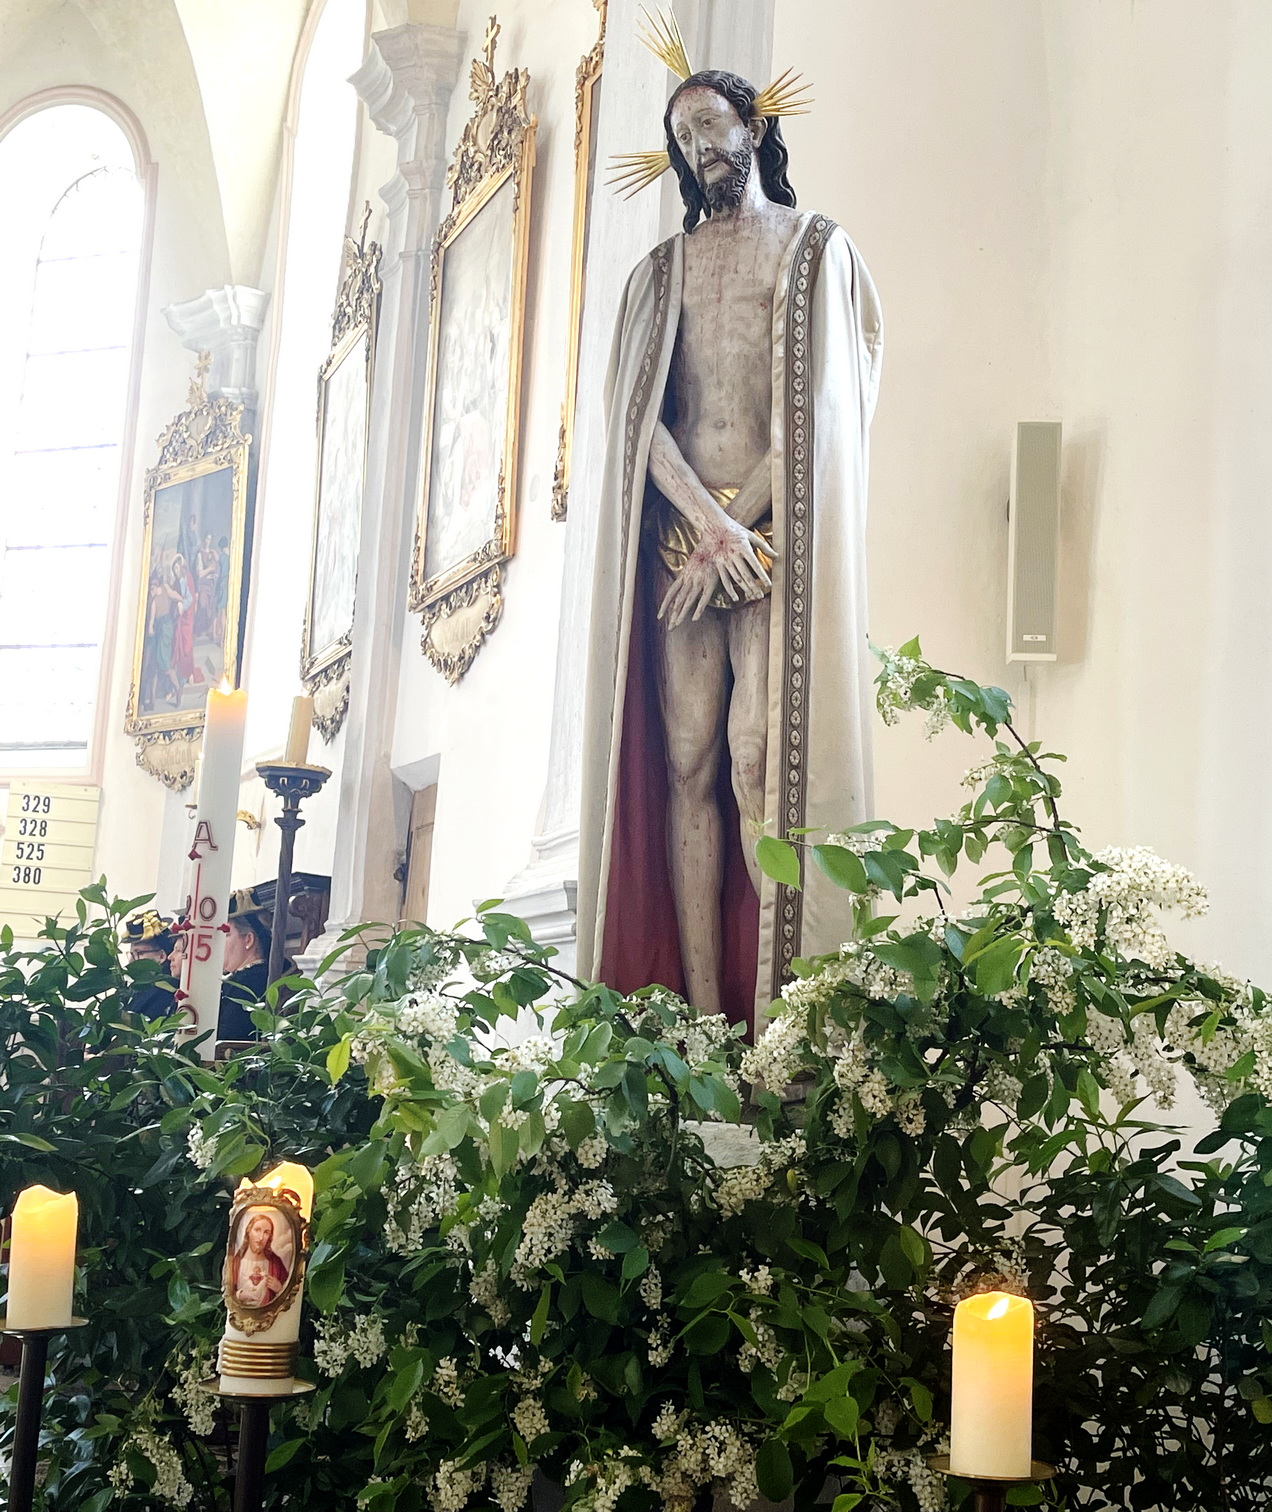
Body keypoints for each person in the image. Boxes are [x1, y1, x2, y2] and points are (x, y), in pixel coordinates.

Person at [577, 41, 883, 1031]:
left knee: (760, 763)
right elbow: (639, 424)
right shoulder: (659, 274)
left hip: (769, 544)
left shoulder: (813, 252)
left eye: (712, 124)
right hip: (688, 544)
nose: (700, 145)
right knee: (685, 764)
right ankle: (705, 1024)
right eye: (683, 135)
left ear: (755, 127)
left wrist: (738, 529)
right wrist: (707, 527)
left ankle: (777, 1029)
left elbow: (819, 418)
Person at [218, 889, 295, 1041]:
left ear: (248, 939)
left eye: (226, 935)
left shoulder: (252, 982)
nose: (218, 944)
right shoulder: (238, 979)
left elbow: (228, 1036)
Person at [123, 910, 178, 1020]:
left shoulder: (166, 991)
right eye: (131, 954)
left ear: (161, 956)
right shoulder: (135, 988)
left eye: (139, 953)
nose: (131, 962)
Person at [229, 1210, 288, 1308]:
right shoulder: (236, 1261)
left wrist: (279, 1289)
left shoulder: (275, 1263)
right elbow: (227, 1293)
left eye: (266, 1233)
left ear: (270, 1237)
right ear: (248, 1231)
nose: (261, 1238)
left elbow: (289, 1294)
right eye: (257, 1230)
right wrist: (239, 1296)